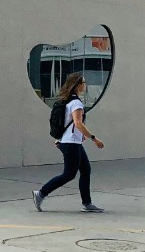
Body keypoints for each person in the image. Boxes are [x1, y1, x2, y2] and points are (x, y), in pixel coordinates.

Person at [33, 72, 105, 213]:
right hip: (71, 143)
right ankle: (41, 193)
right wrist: (94, 138)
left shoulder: (67, 100)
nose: (85, 85)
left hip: (71, 142)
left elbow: (67, 123)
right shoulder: (76, 103)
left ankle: (87, 203)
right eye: (84, 83)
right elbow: (78, 123)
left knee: (85, 170)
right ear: (78, 85)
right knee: (69, 174)